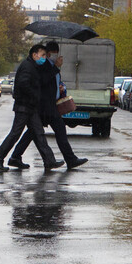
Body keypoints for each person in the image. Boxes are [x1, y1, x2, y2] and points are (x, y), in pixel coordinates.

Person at [8, 41, 88, 170]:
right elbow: (42, 81)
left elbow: (54, 82)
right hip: (44, 106)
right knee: (54, 130)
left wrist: (61, 88)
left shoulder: (51, 66)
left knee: (34, 132)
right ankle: (69, 159)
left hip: (50, 105)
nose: (55, 56)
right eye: (52, 54)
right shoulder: (43, 66)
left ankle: (16, 157)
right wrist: (56, 67)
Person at [0, 44, 65, 172]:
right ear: (35, 55)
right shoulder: (27, 67)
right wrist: (35, 96)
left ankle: (49, 161)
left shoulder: (33, 66)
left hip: (30, 107)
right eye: (43, 55)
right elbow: (24, 84)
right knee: (15, 134)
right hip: (24, 106)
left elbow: (39, 81)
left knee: (39, 133)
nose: (45, 58)